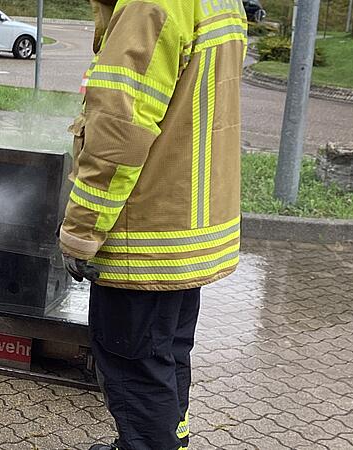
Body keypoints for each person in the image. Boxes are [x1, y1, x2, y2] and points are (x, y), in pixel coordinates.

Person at [60, 0, 247, 448]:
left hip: (143, 234)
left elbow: (118, 133)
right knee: (166, 356)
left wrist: (81, 231)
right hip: (184, 229)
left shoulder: (148, 6)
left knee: (135, 366)